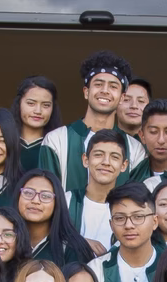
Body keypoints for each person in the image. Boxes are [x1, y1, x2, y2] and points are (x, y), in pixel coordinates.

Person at [43, 52, 145, 191]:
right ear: (86, 92)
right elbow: (48, 195)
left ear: (122, 97)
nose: (105, 91)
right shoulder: (56, 140)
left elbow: (137, 199)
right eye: (98, 84)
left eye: (113, 86)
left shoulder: (135, 149)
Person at [13, 168, 93, 266]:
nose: (35, 201)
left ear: (57, 202)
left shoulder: (72, 249)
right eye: (28, 193)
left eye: (46, 196)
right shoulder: (4, 240)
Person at [66, 128, 129, 251]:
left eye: (114, 157)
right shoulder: (66, 201)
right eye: (98, 155)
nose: (106, 162)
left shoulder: (129, 208)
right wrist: (80, 242)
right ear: (85, 160)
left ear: (123, 165)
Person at [13, 75, 59, 172]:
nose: (38, 111)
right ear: (19, 104)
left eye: (46, 105)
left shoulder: (57, 147)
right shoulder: (4, 144)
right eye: (31, 103)